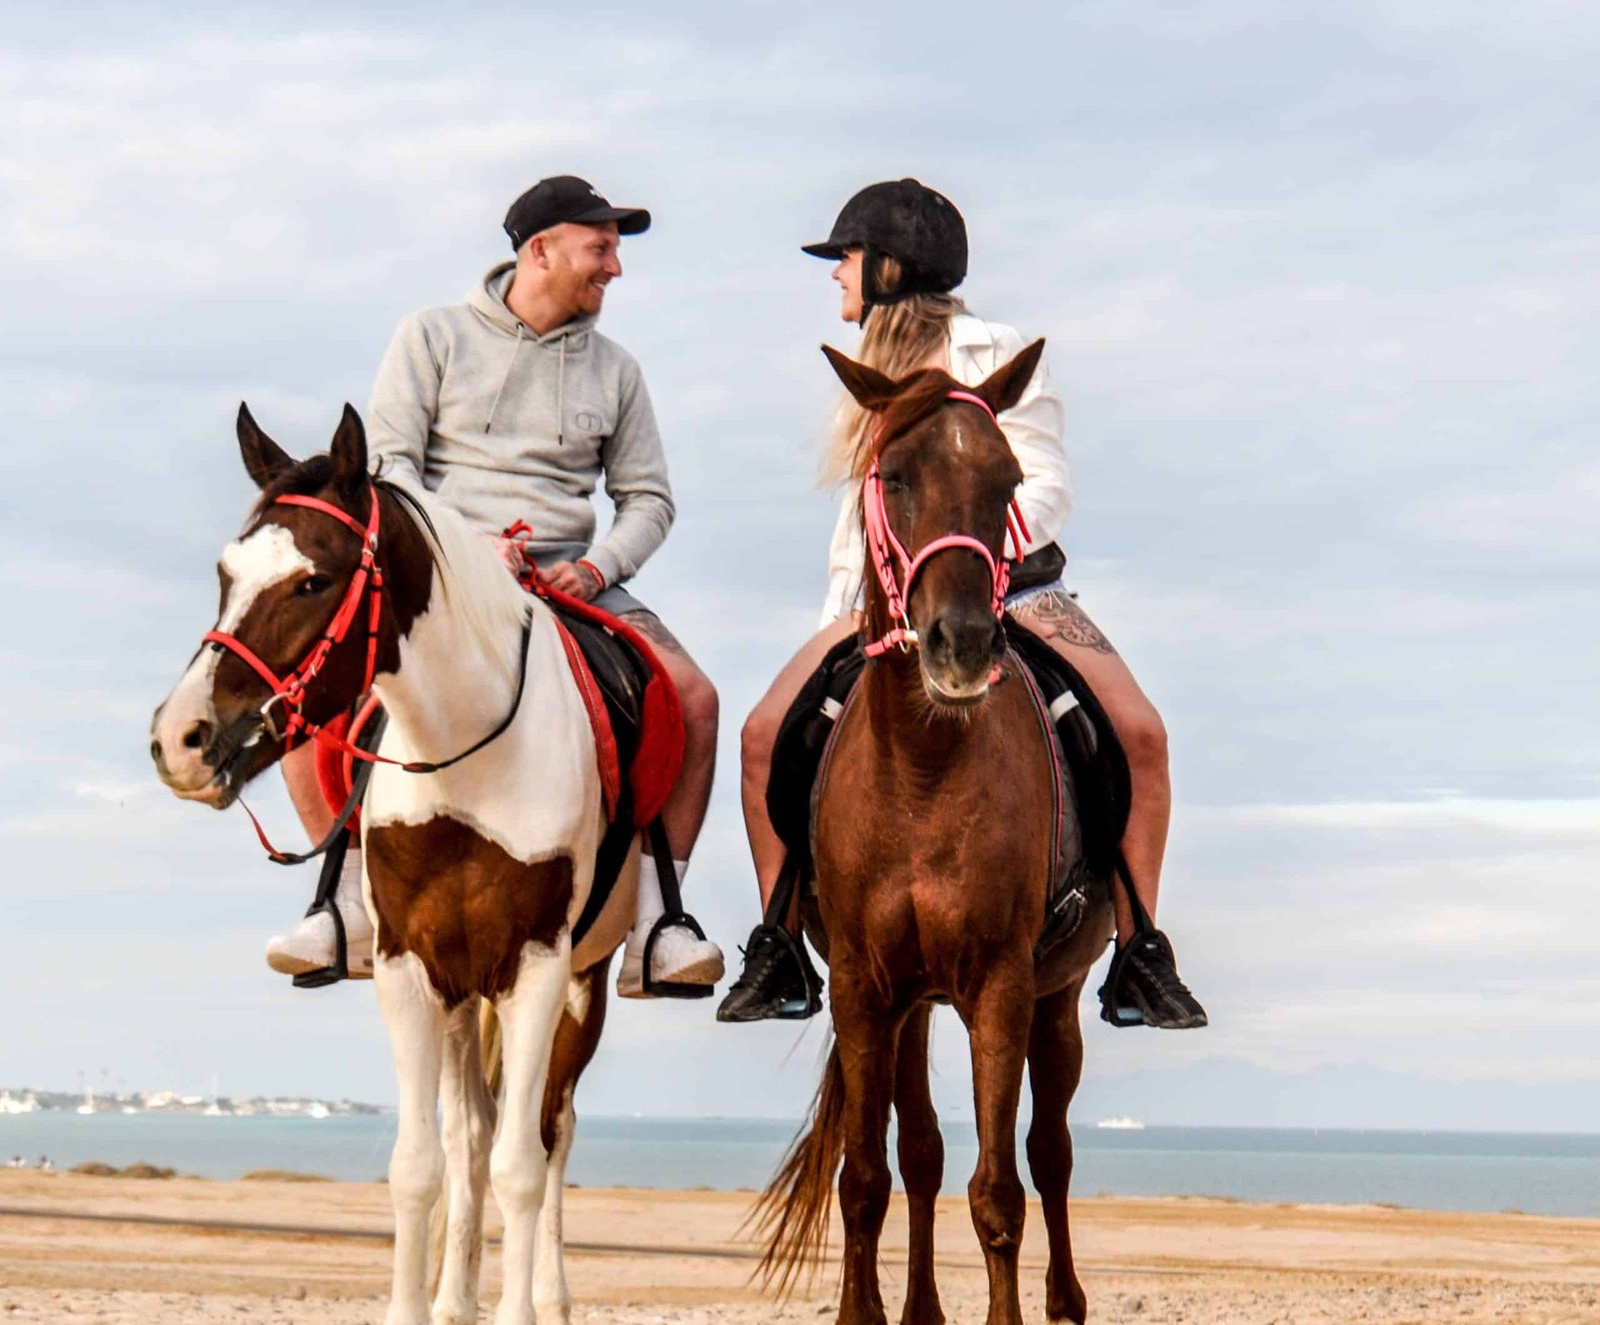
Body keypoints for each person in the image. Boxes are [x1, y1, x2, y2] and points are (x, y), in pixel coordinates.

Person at [719, 178, 1205, 1029]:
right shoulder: (866, 372)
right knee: (764, 737)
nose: (837, 273)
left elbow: (1043, 478)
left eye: (848, 258)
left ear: (891, 267)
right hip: (883, 596)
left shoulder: (996, 348)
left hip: (1014, 587)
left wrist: (969, 564)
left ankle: (1138, 951)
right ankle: (781, 944)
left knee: (1141, 735)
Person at [267, 175, 724, 999]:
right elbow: (391, 465)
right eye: (602, 247)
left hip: (572, 580)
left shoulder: (618, 372)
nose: (614, 268)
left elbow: (648, 499)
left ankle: (660, 921)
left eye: (615, 250)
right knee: (312, 691)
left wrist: (595, 567)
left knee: (692, 697)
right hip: (444, 574)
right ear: (539, 249)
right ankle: (344, 900)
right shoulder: (431, 336)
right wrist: (465, 546)